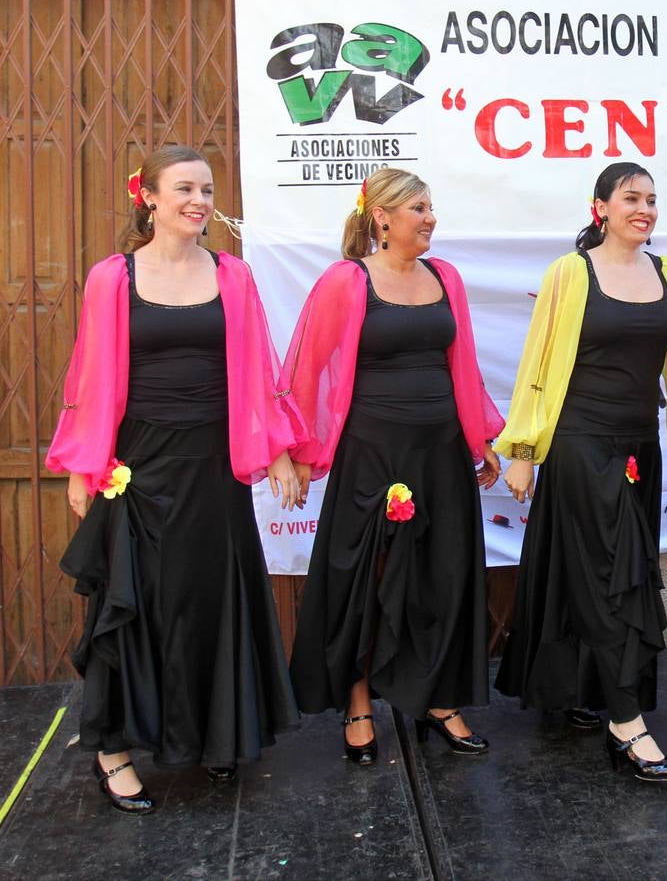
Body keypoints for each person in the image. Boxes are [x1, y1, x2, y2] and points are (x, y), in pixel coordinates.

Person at [49, 146, 302, 813]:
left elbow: (260, 370)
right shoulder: (113, 277)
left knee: (211, 600)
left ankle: (215, 735)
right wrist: (84, 465)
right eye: (184, 188)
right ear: (150, 199)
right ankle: (113, 749)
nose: (199, 199)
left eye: (207, 188)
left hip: (214, 469)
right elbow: (90, 377)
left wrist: (276, 451)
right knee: (135, 607)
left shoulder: (234, 275)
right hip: (138, 470)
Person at [494, 162, 667, 783]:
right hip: (579, 444)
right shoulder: (571, 273)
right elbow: (537, 363)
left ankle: (580, 690)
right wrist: (524, 451)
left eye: (651, 198)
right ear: (601, 208)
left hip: (641, 445)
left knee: (616, 573)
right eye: (630, 198)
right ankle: (627, 722)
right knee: (607, 577)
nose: (643, 208)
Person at [283, 168, 505, 764]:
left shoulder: (446, 277)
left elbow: (464, 366)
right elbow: (305, 368)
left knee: (443, 575)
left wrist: (479, 440)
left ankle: (437, 700)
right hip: (372, 457)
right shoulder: (346, 281)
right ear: (381, 217)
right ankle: (358, 702)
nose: (430, 217)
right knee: (365, 580)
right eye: (418, 208)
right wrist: (300, 455)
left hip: (440, 455)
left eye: (431, 207)